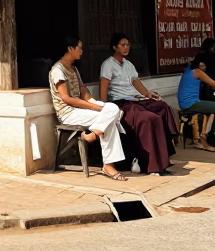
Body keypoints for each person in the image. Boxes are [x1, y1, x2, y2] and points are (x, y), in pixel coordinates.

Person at [49, 36, 127, 181]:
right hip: (68, 113)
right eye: (79, 48)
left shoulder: (74, 69)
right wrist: (94, 107)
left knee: (112, 108)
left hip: (80, 110)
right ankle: (108, 165)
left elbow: (83, 91)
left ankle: (94, 133)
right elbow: (66, 98)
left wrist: (95, 103)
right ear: (70, 49)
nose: (81, 51)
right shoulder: (57, 70)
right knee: (109, 118)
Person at [100, 34, 178, 175]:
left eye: (128, 45)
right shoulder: (108, 65)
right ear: (115, 47)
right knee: (149, 118)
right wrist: (105, 108)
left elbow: (136, 81)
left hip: (135, 99)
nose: (126, 47)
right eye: (123, 45)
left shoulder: (128, 64)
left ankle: (165, 153)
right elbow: (103, 87)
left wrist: (148, 94)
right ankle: (151, 163)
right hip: (121, 102)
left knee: (163, 107)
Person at [177, 53, 215, 152]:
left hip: (188, 102)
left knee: (212, 106)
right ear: (199, 63)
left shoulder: (189, 69)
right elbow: (214, 84)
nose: (205, 67)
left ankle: (208, 134)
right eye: (203, 64)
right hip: (190, 104)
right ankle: (214, 137)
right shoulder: (197, 71)